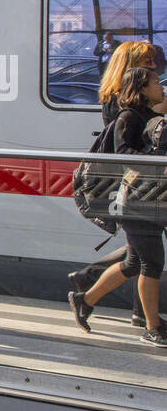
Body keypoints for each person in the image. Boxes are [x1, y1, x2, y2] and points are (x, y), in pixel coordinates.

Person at [69, 67, 167, 347]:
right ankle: (153, 326)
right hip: (135, 202)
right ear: (141, 88)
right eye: (156, 82)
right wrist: (156, 164)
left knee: (133, 262)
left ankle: (83, 299)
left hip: (150, 198)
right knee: (152, 262)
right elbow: (121, 154)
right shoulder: (129, 117)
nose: (161, 87)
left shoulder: (152, 116)